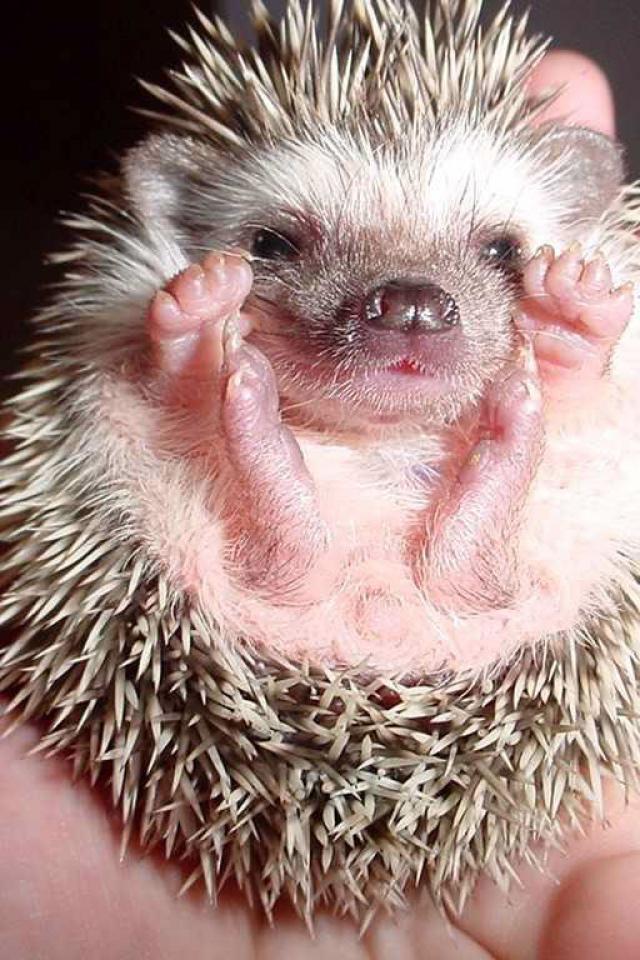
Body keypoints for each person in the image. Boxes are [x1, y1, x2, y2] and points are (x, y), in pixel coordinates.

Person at [1, 51, 638, 960]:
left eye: (497, 253)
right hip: (307, 614)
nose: (410, 304)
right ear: (181, 226)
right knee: (158, 437)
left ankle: (262, 472)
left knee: (569, 431)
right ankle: (440, 536)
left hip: (371, 607)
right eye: (278, 245)